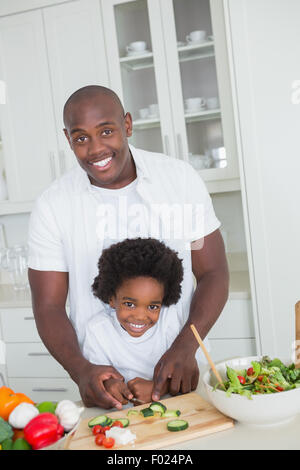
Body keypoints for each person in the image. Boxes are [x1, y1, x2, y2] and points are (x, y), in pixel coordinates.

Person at [27, 85, 229, 410]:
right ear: (68, 140)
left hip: (183, 377)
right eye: (81, 138)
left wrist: (185, 347)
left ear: (128, 125)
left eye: (106, 131)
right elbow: (48, 305)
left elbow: (214, 272)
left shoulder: (179, 180)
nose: (95, 149)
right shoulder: (53, 205)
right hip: (105, 391)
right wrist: (80, 371)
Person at [83, 237, 208, 405]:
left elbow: (188, 374)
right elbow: (97, 378)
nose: (141, 316)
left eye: (153, 307)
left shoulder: (169, 321)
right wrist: (110, 386)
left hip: (173, 407)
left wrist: (158, 389)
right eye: (129, 304)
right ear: (111, 298)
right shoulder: (97, 331)